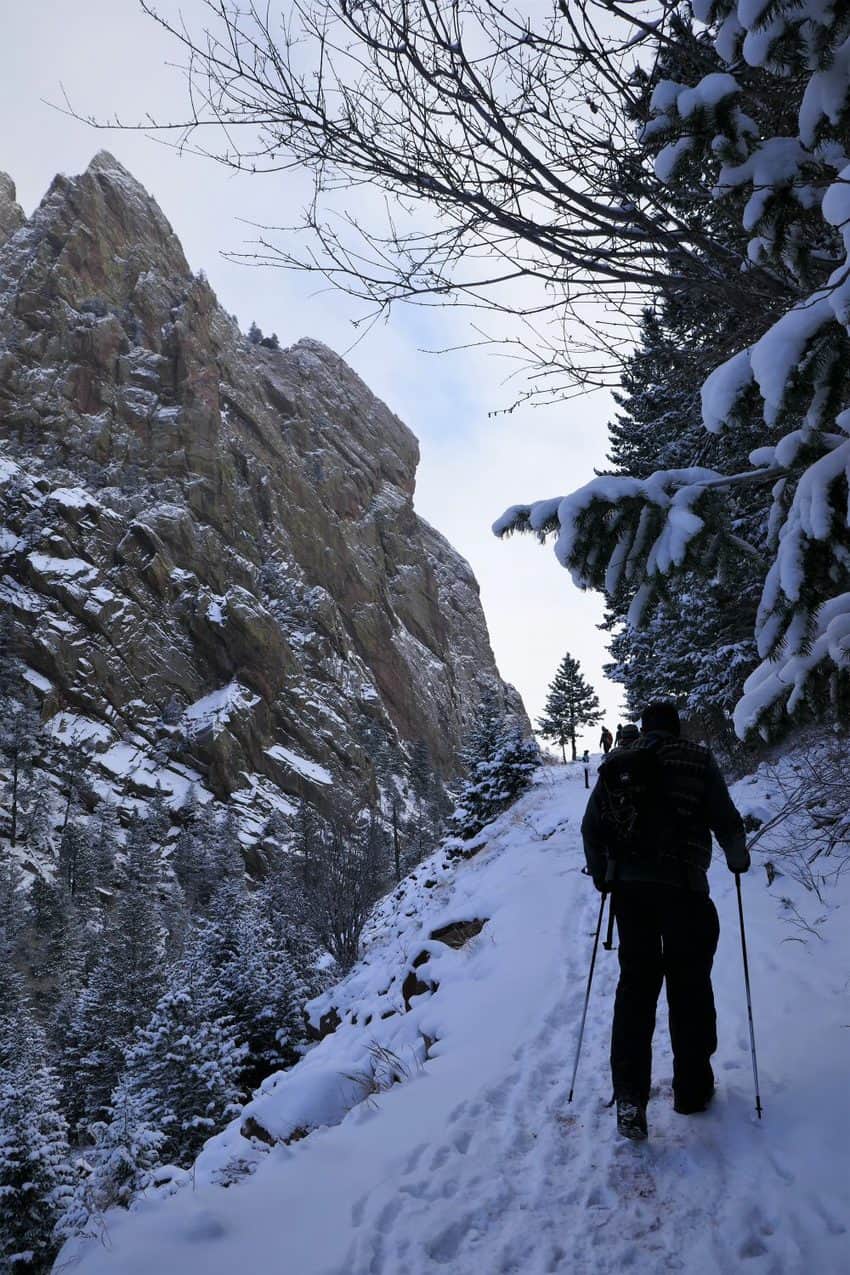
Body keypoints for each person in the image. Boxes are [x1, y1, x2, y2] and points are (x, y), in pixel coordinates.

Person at [580, 701, 749, 1141]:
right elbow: (726, 820)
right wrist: (737, 857)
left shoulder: (619, 764)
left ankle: (631, 1096)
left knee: (636, 989)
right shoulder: (697, 759)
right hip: (685, 890)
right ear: (677, 728)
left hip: (632, 896)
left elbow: (591, 827)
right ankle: (691, 1090)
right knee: (688, 985)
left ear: (644, 729)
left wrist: (603, 876)